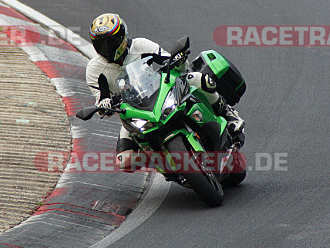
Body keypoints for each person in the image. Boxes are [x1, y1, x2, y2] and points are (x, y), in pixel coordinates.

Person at [85, 13, 244, 171]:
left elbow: (169, 60)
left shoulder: (140, 45)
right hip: (132, 109)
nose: (106, 49)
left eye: (110, 43)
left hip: (159, 89)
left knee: (199, 79)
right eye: (100, 45)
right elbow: (101, 100)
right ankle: (165, 163)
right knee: (124, 161)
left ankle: (227, 113)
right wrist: (104, 105)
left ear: (122, 37)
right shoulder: (94, 69)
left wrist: (178, 59)